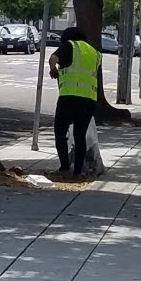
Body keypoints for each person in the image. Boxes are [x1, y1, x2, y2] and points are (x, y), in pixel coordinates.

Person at [48, 26, 100, 178]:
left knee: (60, 131)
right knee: (80, 135)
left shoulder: (69, 45)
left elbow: (53, 58)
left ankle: (64, 167)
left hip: (69, 98)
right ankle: (78, 172)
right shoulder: (95, 53)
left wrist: (53, 69)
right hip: (89, 100)